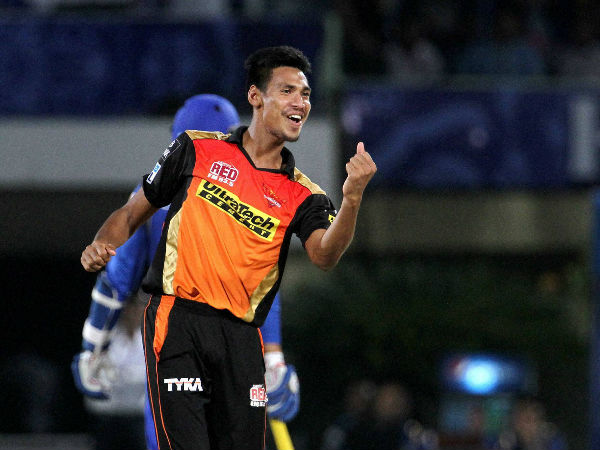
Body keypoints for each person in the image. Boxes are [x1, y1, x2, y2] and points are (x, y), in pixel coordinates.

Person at [80, 45, 376, 450]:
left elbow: (320, 257)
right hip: (178, 322)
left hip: (241, 336)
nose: (300, 102)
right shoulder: (193, 150)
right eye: (287, 90)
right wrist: (102, 242)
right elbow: (131, 216)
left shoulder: (304, 194)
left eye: (305, 94)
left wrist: (352, 199)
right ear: (255, 98)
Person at [73, 93, 301, 449]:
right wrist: (273, 360)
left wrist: (92, 349)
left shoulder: (155, 191)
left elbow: (116, 283)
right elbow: (261, 287)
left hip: (175, 342)